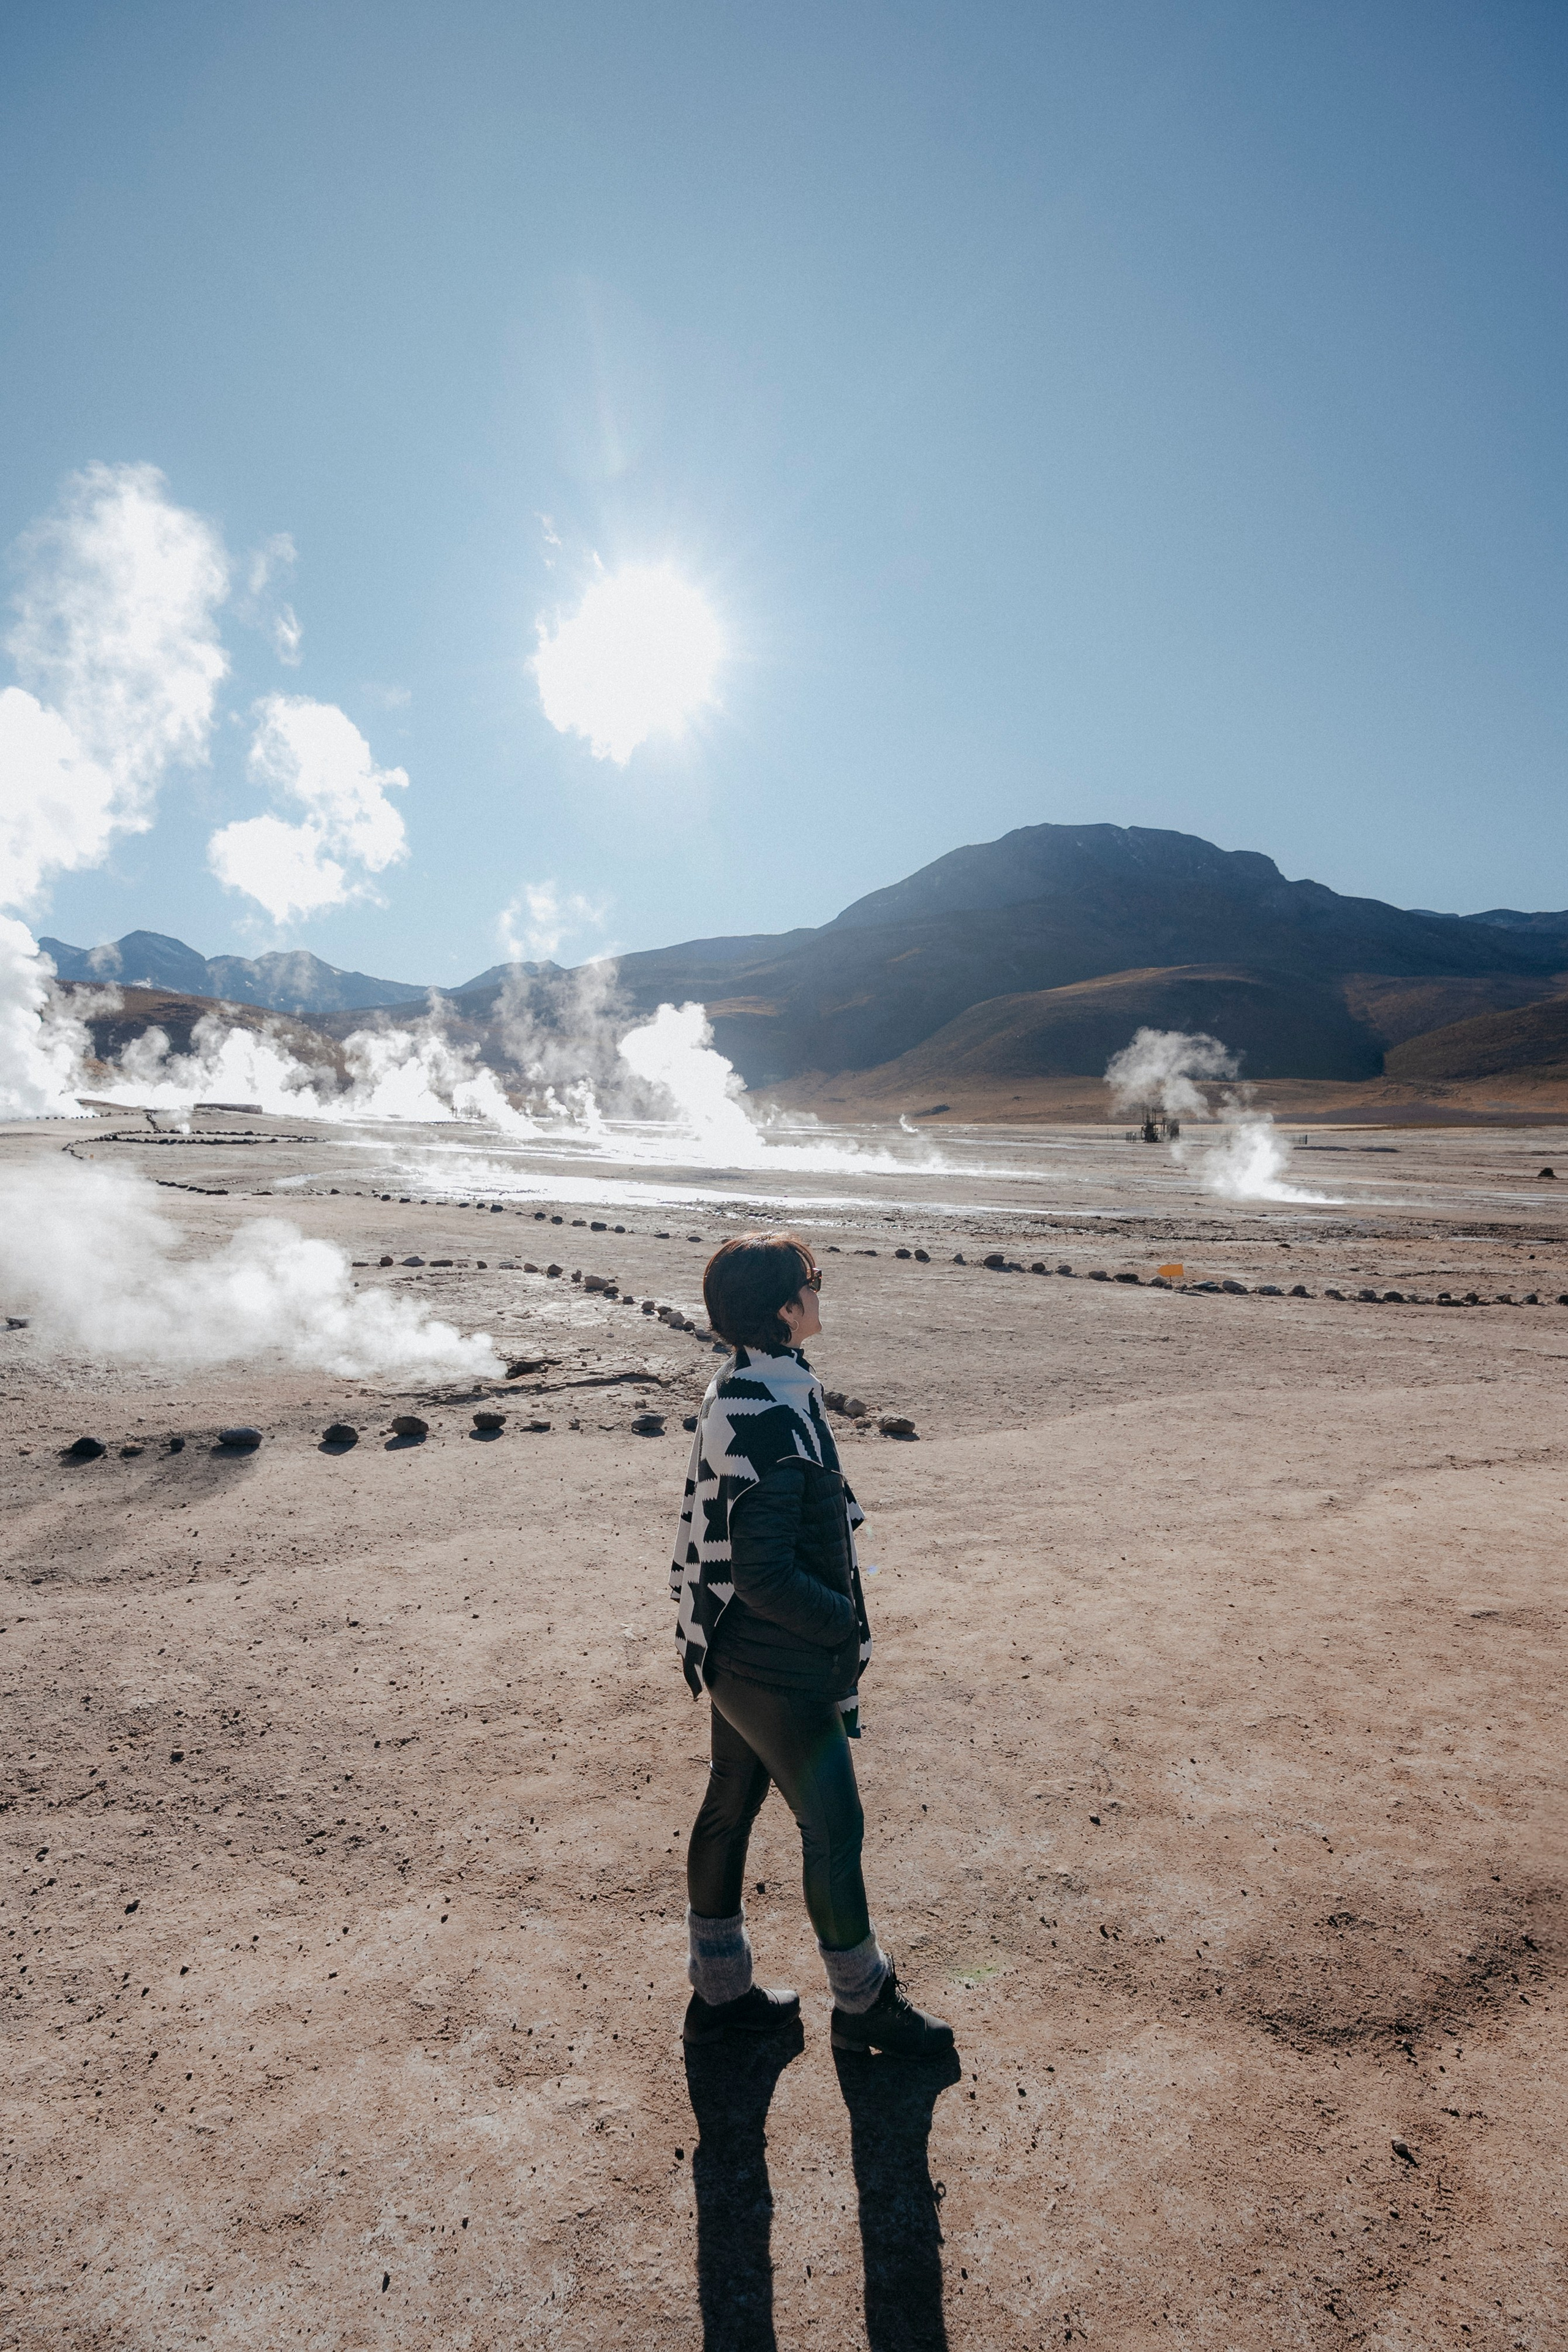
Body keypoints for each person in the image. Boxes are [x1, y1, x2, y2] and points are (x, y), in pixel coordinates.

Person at [670, 1229, 952, 2056]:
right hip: (775, 1663)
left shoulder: (743, 1387)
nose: (822, 1293)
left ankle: (719, 1997)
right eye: (814, 1282)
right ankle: (865, 2004)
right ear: (786, 1310)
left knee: (729, 1807)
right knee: (836, 1831)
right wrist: (843, 1620)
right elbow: (763, 1573)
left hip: (728, 1648)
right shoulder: (775, 1415)